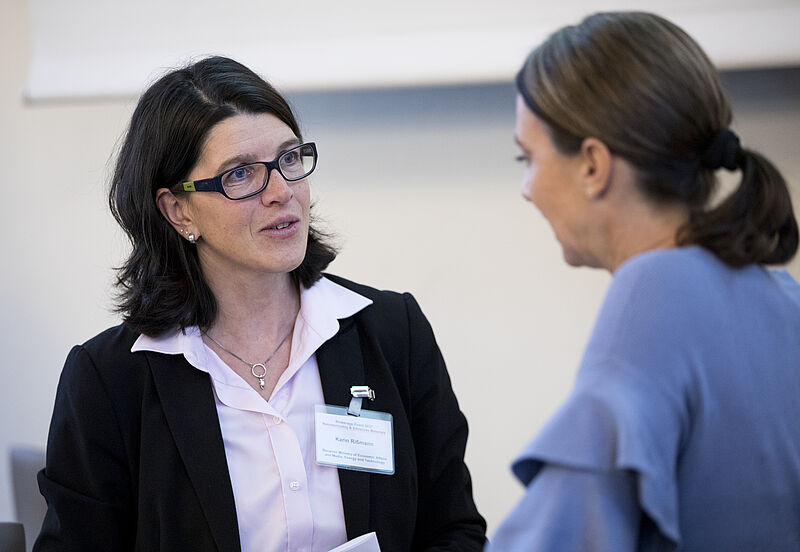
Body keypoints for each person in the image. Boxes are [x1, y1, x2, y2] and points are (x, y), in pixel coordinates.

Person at [35, 56, 486, 552]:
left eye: (289, 159)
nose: (281, 192)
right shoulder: (111, 379)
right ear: (178, 210)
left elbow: (454, 530)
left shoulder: (392, 332)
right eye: (241, 174)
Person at [489, 11, 800, 552]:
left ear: (593, 165)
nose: (527, 189)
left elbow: (569, 532)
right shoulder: (781, 297)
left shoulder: (653, 295)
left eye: (528, 157)